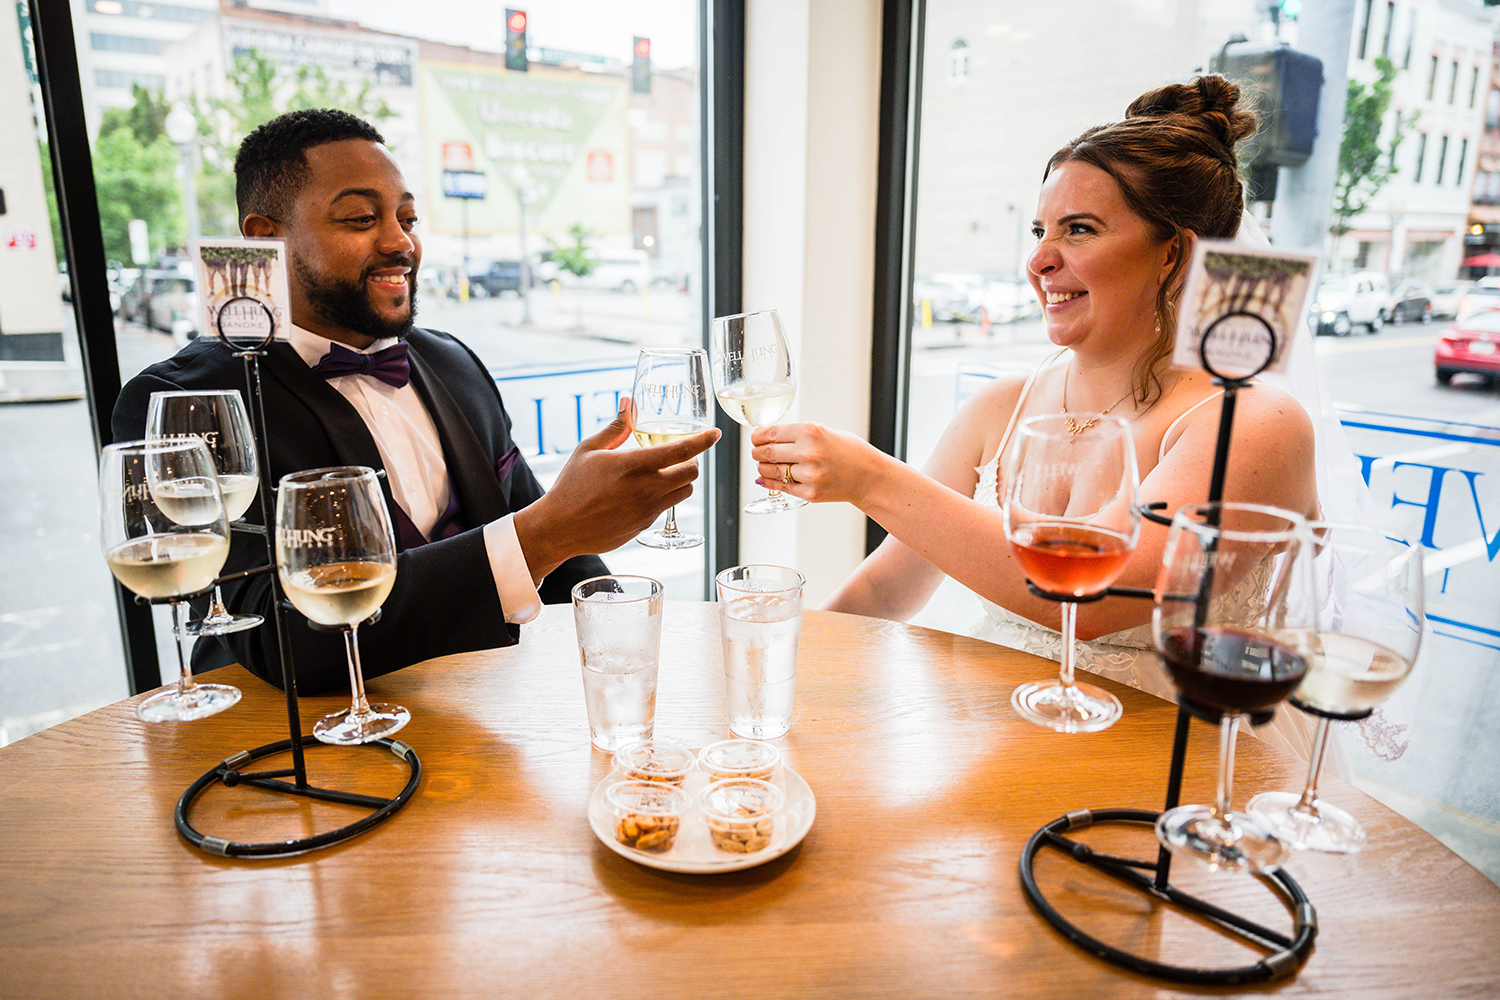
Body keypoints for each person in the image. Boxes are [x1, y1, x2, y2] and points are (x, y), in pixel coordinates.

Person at [749, 77, 1354, 764]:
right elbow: (891, 586)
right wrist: (767, 677)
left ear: (1173, 254)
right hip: (998, 744)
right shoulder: (999, 407)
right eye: (1040, 231)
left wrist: (871, 479)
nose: (1038, 261)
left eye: (1079, 230)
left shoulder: (1251, 422)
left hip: (1181, 769)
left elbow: (1092, 605)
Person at [112, 109, 719, 694]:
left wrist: (633, 649)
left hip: (483, 725)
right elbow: (282, 640)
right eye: (359, 219)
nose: (400, 242)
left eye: (408, 217)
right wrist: (545, 533)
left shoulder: (452, 363)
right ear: (265, 237)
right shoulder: (183, 403)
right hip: (290, 752)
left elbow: (554, 548)